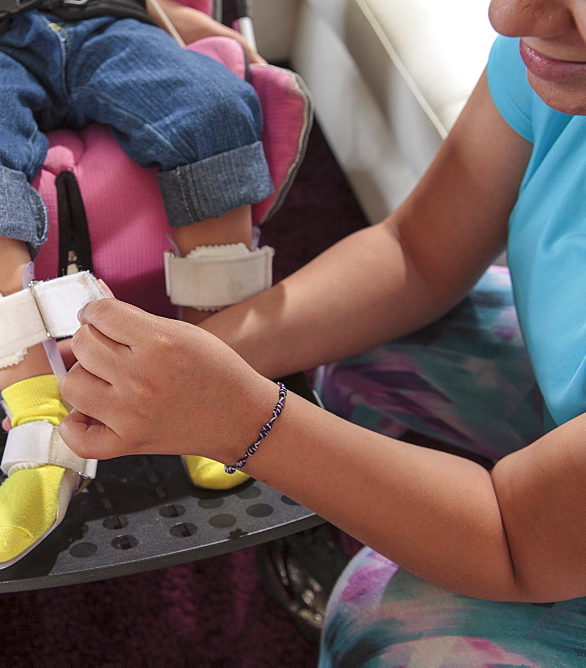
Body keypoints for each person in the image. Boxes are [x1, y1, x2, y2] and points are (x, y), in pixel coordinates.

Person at [59, 0, 586, 661]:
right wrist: (193, 357)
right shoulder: (554, 56)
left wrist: (240, 417)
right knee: (354, 351)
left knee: (373, 620)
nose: (508, 17)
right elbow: (415, 252)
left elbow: (510, 541)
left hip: (520, 535)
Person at [0, 0, 278, 569]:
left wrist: (207, 34)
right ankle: (42, 427)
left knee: (212, 107)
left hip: (107, 20)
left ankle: (207, 374)